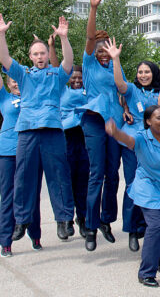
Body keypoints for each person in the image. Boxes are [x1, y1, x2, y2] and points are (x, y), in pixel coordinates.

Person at [0, 13, 75, 242]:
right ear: (30, 57)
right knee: (23, 177)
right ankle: (21, 220)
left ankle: (63, 219)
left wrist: (63, 39)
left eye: (43, 53)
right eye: (36, 53)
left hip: (51, 130)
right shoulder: (24, 74)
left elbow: (68, 61)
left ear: (48, 55)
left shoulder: (56, 75)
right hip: (27, 131)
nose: (40, 56)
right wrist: (1, 35)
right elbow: (4, 58)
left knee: (58, 175)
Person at [105, 105, 160, 288]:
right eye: (159, 118)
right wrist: (115, 132)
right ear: (148, 121)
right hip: (148, 186)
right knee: (157, 226)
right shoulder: (142, 138)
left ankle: (157, 256)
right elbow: (127, 140)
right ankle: (146, 273)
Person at [104, 37, 160, 252]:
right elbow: (120, 84)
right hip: (133, 144)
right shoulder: (132, 90)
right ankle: (132, 229)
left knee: (153, 186)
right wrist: (116, 60)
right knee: (133, 185)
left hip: (154, 147)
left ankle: (146, 226)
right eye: (140, 72)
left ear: (154, 73)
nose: (143, 75)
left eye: (147, 72)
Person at [0, 36, 42, 256]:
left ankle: (35, 235)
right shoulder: (4, 98)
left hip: (31, 152)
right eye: (12, 81)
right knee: (8, 196)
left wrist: (42, 45)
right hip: (8, 153)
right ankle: (5, 241)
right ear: (9, 83)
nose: (16, 82)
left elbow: (40, 72)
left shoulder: (33, 96)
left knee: (32, 194)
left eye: (18, 79)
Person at [78, 0, 124, 251]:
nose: (102, 51)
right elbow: (88, 36)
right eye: (99, 47)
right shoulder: (89, 64)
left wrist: (127, 108)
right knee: (97, 174)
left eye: (106, 47)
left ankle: (107, 220)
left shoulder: (115, 65)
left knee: (113, 174)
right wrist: (93, 8)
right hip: (95, 121)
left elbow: (123, 89)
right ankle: (91, 227)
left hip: (115, 123)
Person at [60, 65, 90, 238]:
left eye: (80, 78)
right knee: (67, 181)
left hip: (84, 139)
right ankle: (66, 219)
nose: (77, 80)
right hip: (67, 138)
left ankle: (82, 218)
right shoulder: (62, 90)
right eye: (74, 78)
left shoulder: (89, 93)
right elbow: (58, 67)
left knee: (83, 183)